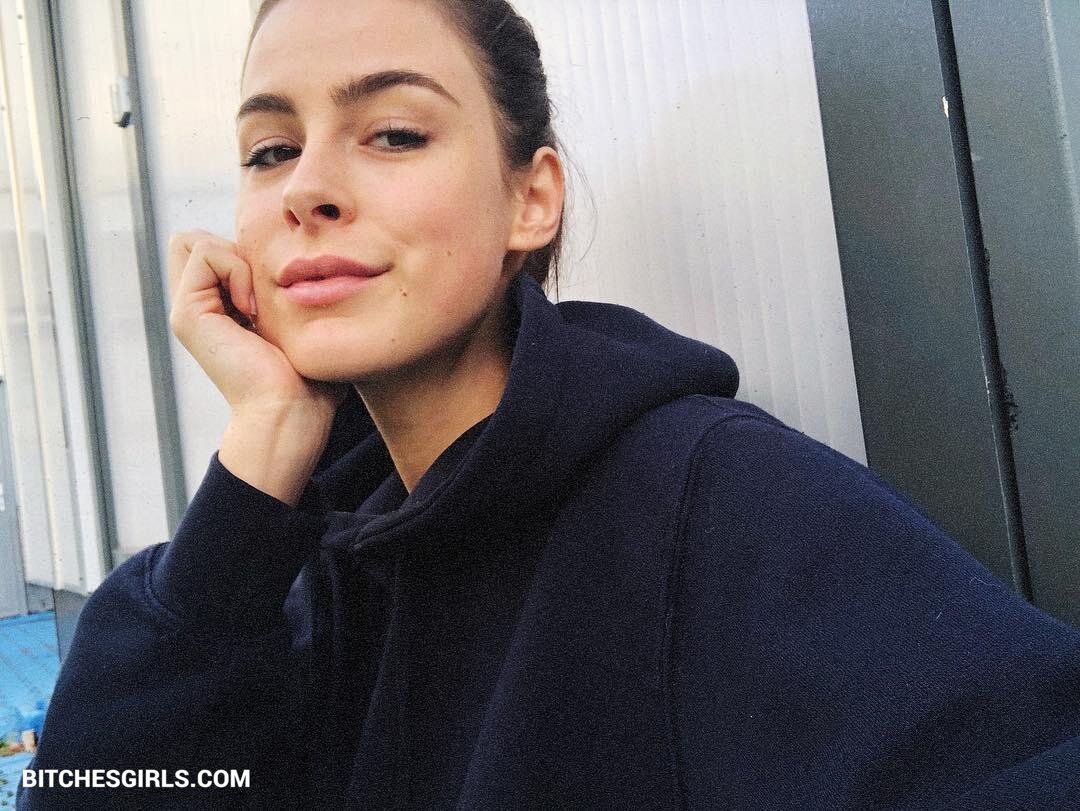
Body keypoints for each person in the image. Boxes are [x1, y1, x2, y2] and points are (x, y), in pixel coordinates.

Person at [18, 0, 1080, 808]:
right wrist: (264, 445)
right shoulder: (307, 566)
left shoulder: (706, 501)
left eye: (393, 133)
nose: (306, 187)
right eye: (271, 150)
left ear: (531, 198)